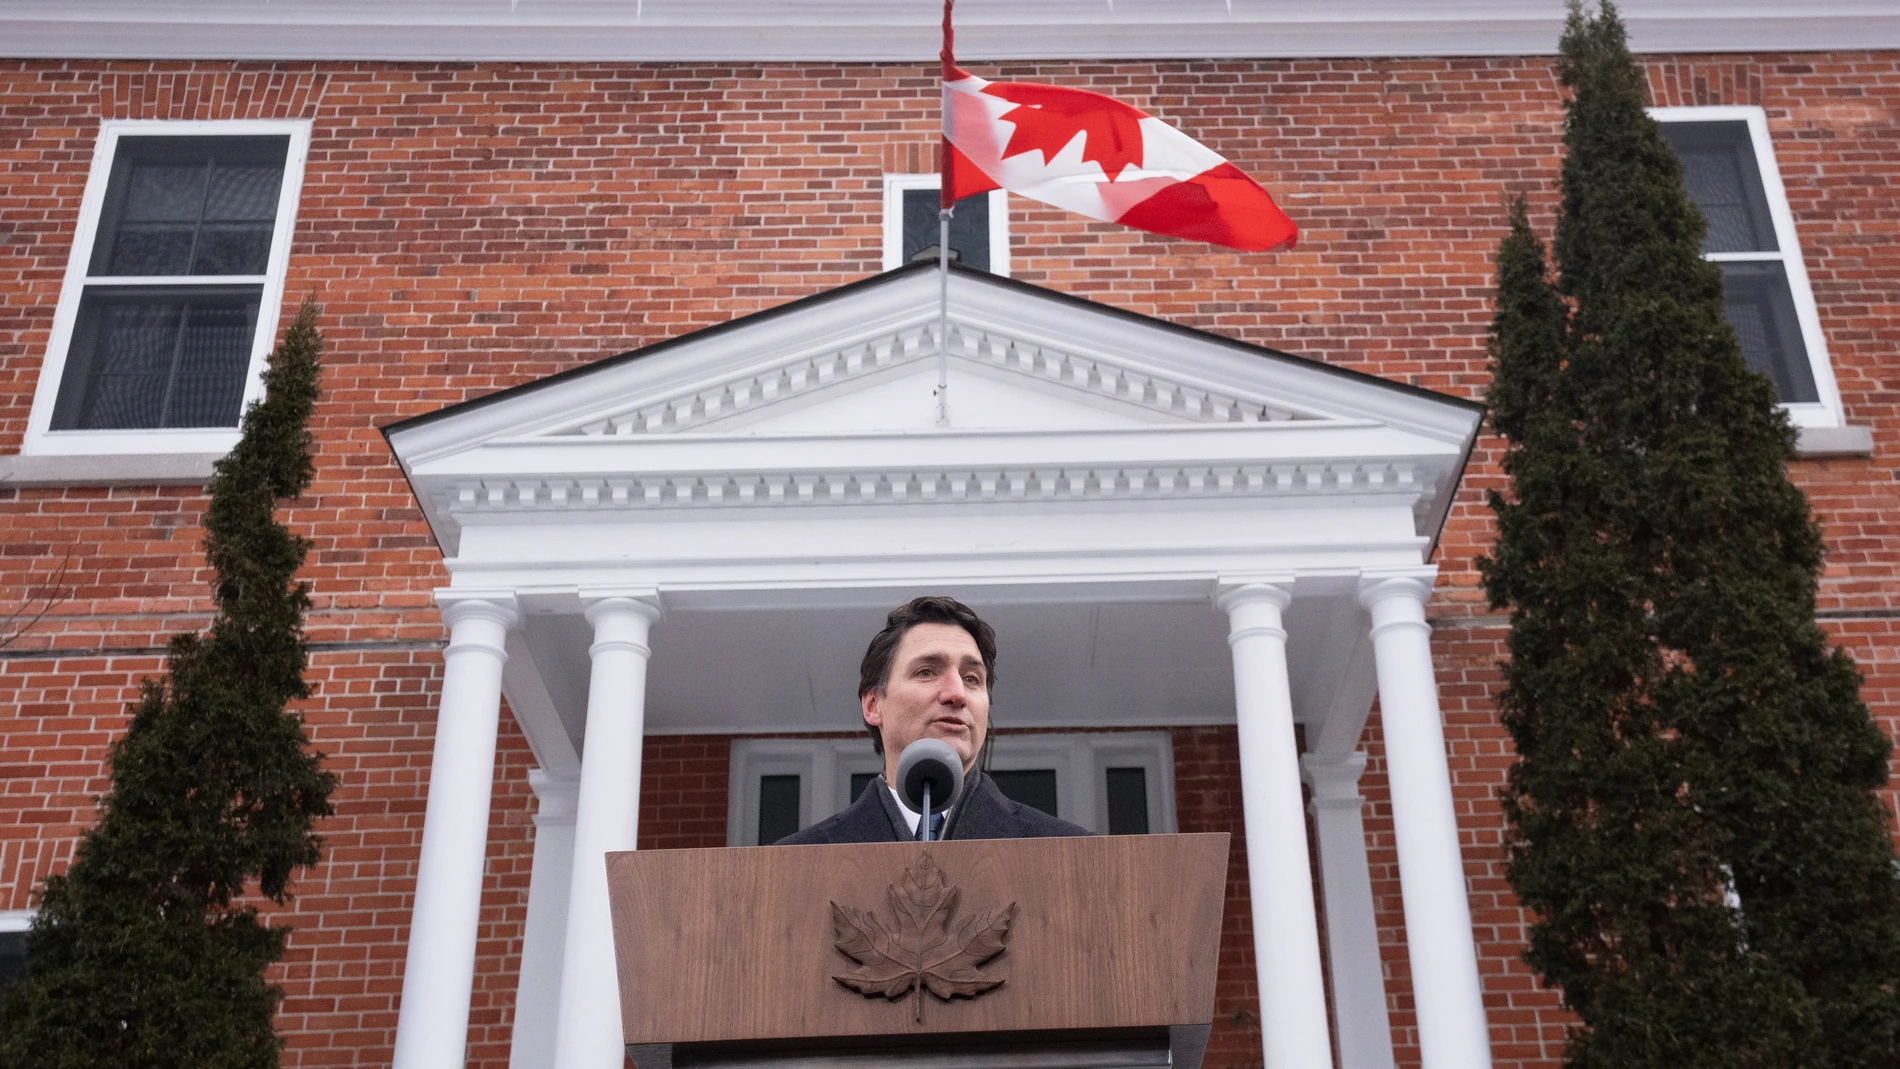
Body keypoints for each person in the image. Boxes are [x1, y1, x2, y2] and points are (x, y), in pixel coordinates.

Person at [776, 596, 1090, 843]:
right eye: (926, 671)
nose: (957, 694)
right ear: (873, 705)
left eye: (971, 678)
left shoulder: (1073, 853)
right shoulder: (790, 863)